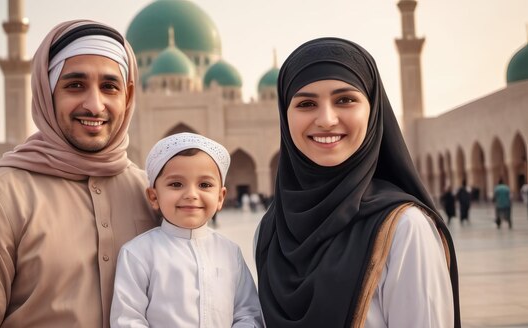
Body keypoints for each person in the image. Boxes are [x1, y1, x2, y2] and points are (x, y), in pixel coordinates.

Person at [0, 20, 159, 327]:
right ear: (46, 92)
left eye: (109, 86)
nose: (94, 105)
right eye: (75, 85)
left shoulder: (151, 193)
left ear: (128, 97)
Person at [254, 37, 461, 327]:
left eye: (345, 100)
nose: (326, 119)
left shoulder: (403, 227)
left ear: (373, 109)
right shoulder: (272, 229)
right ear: (284, 116)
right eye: (306, 103)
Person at [110, 132, 263, 327]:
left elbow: (247, 312)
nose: (191, 194)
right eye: (176, 184)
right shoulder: (138, 253)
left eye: (204, 185)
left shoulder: (230, 252)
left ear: (220, 197)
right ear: (154, 197)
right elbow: (128, 319)